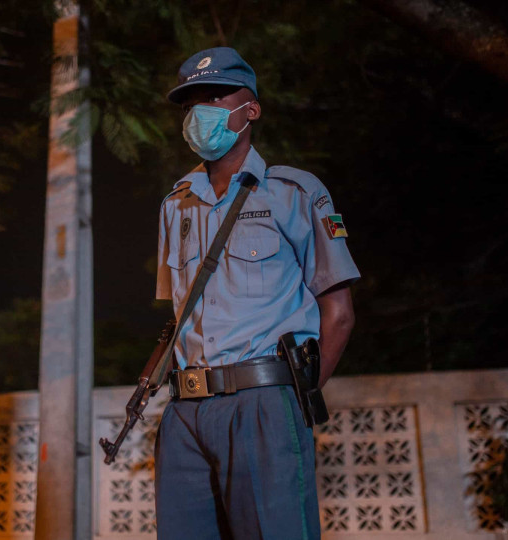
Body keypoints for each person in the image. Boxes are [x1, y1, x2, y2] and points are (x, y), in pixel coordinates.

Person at [154, 47, 360, 540]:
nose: (200, 112)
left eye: (216, 95)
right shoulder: (174, 204)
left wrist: (294, 398)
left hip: (264, 401)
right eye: (191, 102)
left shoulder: (296, 192)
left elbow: (339, 313)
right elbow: (176, 317)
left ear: (252, 110)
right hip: (185, 411)